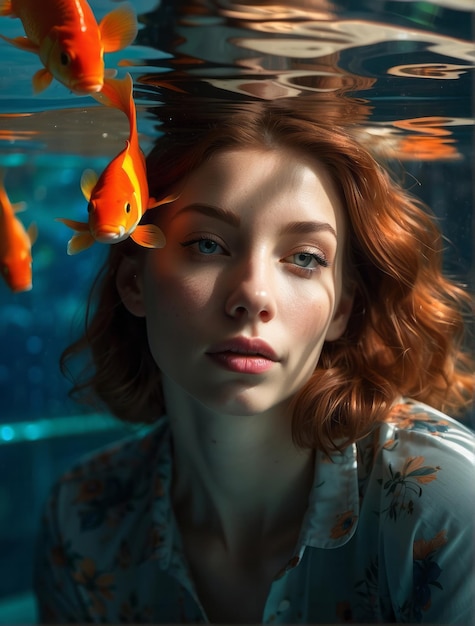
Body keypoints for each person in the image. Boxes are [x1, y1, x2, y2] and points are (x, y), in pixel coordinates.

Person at [34, 100, 475, 624]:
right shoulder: (81, 519)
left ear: (344, 308)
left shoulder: (448, 511)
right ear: (134, 281)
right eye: (208, 244)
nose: (253, 295)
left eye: (305, 258)